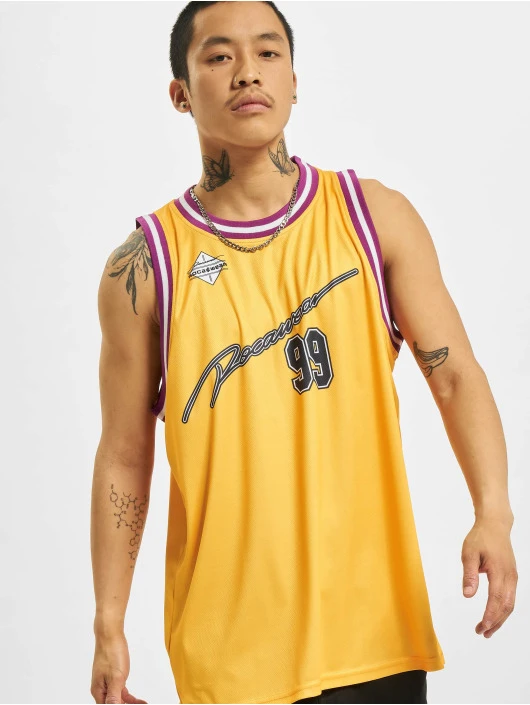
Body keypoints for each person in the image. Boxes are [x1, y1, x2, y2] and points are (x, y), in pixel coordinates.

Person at [90, 2, 518, 704]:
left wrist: (493, 512)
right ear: (180, 92)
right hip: (229, 653)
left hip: (372, 636)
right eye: (219, 56)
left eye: (268, 52)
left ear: (294, 80)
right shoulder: (144, 267)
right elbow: (124, 453)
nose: (247, 72)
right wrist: (108, 620)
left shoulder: (372, 217)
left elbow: (456, 376)